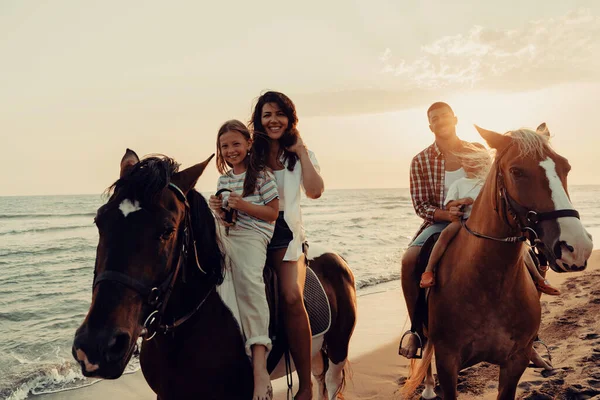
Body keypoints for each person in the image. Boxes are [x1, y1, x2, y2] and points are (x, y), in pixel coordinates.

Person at [248, 91, 324, 400]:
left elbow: (315, 191)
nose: (273, 120)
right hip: (250, 230)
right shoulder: (250, 153)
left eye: (279, 114)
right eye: (267, 115)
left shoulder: (299, 156)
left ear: (290, 119)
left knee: (292, 296)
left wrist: (302, 151)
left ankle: (305, 386)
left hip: (286, 235)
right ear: (259, 120)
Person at [418, 145, 560, 296]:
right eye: (467, 161)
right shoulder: (459, 184)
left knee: (518, 245)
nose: (470, 164)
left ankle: (538, 279)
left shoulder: (487, 182)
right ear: (462, 163)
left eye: (475, 161)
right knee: (445, 235)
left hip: (487, 222)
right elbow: (449, 204)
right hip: (464, 220)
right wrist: (461, 201)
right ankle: (428, 271)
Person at [208, 119, 279, 400]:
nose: (230, 150)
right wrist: (219, 210)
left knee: (250, 282)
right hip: (229, 233)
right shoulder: (223, 180)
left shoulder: (261, 175)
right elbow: (228, 218)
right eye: (225, 146)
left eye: (236, 144)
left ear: (248, 144)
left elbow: (273, 213)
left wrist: (244, 205)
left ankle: (260, 365)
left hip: (254, 236)